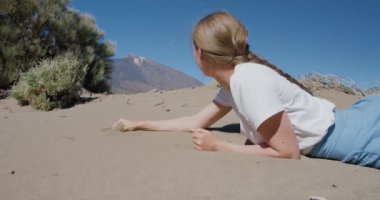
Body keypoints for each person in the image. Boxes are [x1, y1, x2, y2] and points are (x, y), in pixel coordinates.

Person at [113, 11, 380, 168]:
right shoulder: (233, 84)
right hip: (355, 117)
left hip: (357, 137)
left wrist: (220, 146)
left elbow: (289, 153)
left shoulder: (247, 81)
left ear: (201, 52)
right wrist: (137, 124)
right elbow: (195, 121)